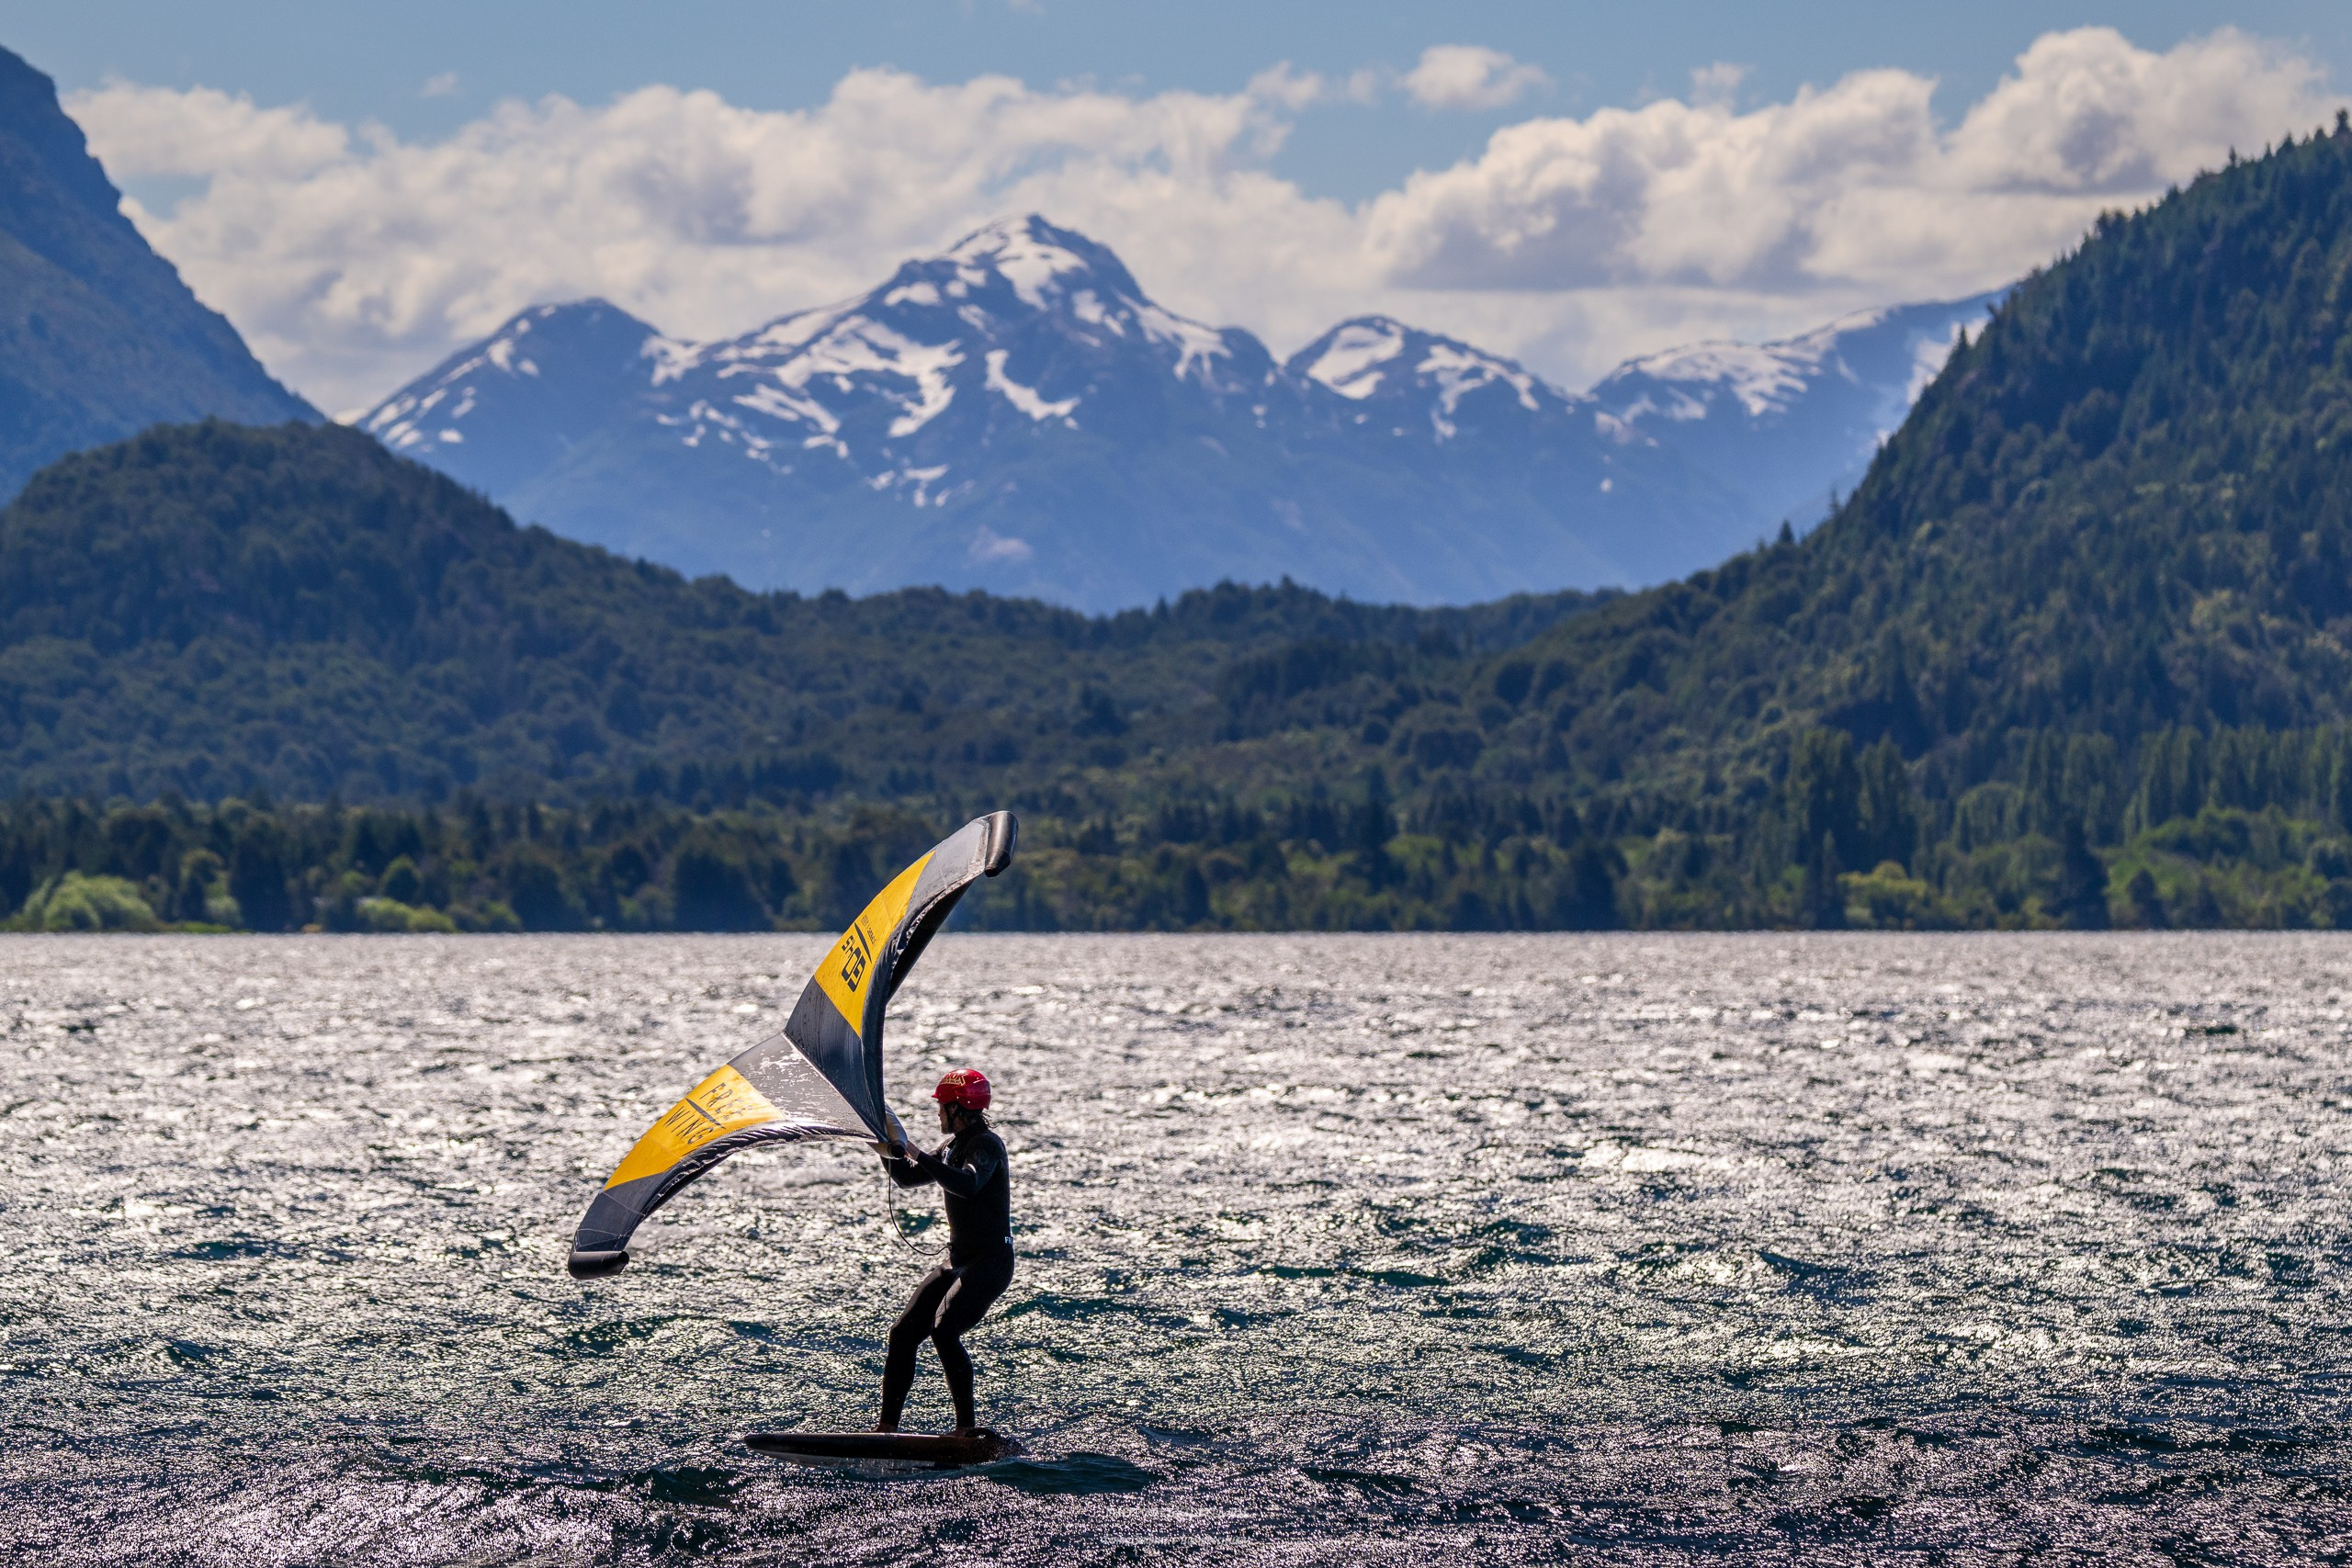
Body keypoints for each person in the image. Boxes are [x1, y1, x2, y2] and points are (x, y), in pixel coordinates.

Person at [874, 1067, 1012, 1436]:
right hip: (958, 1261)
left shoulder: (987, 1145)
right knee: (903, 1334)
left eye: (942, 1107)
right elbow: (907, 1178)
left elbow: (967, 1184)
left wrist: (916, 1151)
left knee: (944, 1331)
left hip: (990, 1263)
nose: (938, 1113)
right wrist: (882, 1145)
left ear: (959, 1108)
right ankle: (887, 1427)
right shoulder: (951, 1147)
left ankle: (965, 1431)